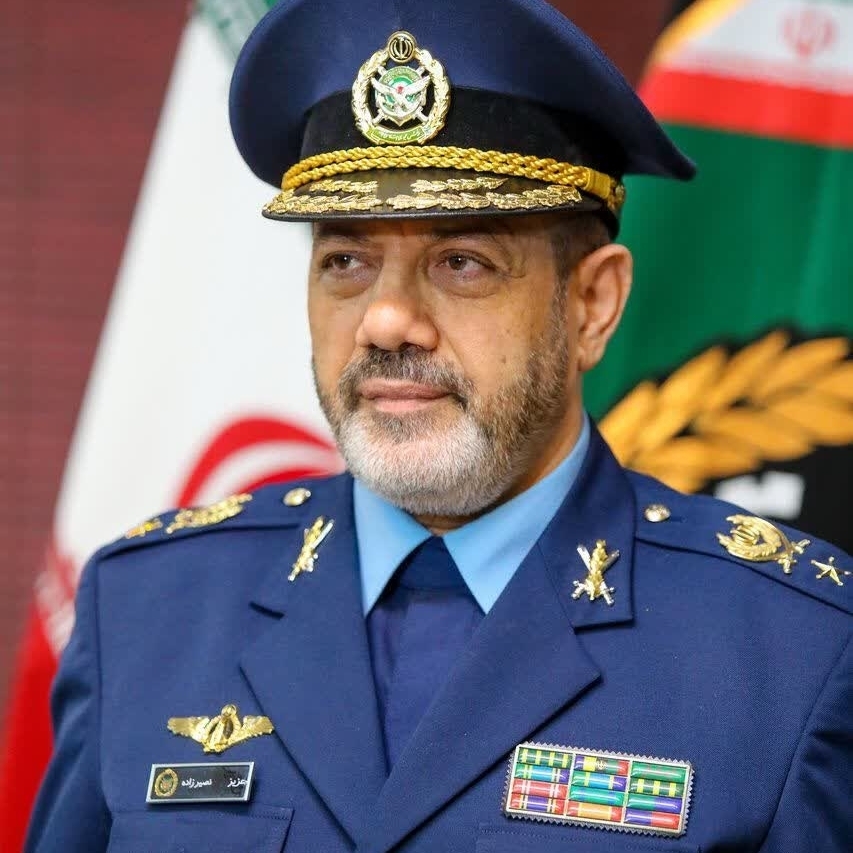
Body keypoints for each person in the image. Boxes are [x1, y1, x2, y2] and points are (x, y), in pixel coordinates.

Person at [26, 0, 851, 850]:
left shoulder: (790, 650)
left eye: (462, 262)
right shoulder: (147, 609)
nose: (385, 320)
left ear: (592, 304)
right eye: (345, 260)